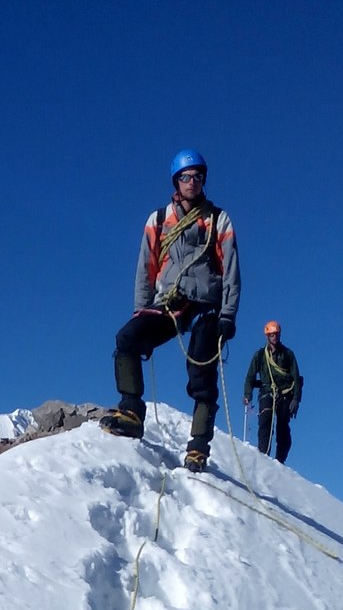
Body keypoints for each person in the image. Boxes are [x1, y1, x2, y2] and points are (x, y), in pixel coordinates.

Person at [100, 149, 240, 473]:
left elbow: (231, 270)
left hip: (206, 304)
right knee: (128, 339)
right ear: (176, 181)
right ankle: (131, 413)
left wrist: (228, 315)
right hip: (170, 301)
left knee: (200, 374)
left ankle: (198, 448)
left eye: (198, 176)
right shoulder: (159, 220)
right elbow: (145, 268)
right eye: (186, 177)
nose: (193, 182)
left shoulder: (218, 219)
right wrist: (141, 310)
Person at [242, 320, 303, 463]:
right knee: (265, 422)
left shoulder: (288, 354)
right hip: (267, 392)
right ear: (267, 336)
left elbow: (296, 377)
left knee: (282, 426)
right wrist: (247, 394)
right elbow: (250, 376)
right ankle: (264, 455)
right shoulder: (260, 356)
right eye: (272, 335)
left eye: (276, 334)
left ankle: (280, 461)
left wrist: (296, 399)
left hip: (285, 394)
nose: (274, 337)